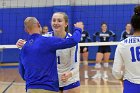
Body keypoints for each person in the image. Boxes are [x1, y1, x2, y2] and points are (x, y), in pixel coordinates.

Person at [18, 17, 83, 93]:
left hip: (30, 88)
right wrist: (78, 29)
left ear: (26, 30)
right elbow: (73, 41)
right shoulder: (48, 41)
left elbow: (22, 72)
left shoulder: (24, 48)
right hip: (48, 87)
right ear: (39, 24)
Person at [112, 5, 140, 93]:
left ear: (132, 25)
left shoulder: (122, 44)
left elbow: (116, 72)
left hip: (130, 86)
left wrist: (121, 79)